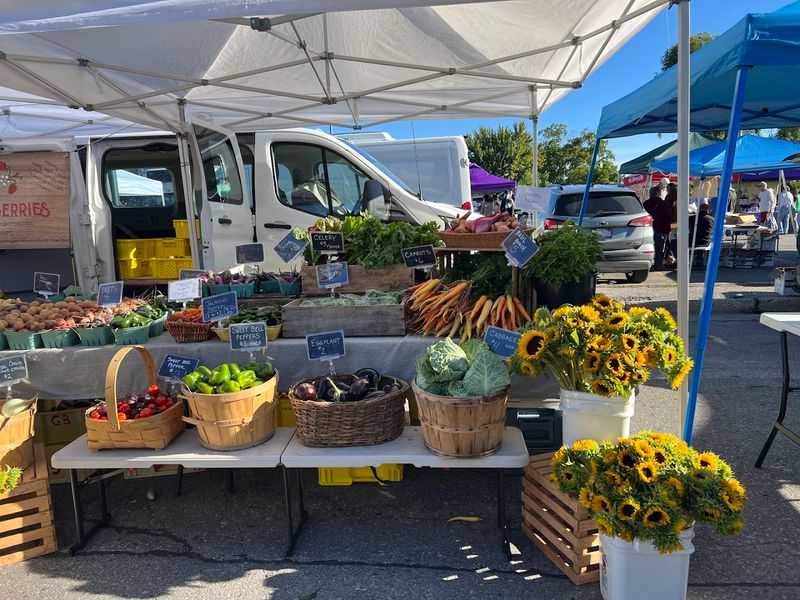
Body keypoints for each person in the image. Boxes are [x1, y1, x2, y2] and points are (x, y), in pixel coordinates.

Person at [644, 185, 672, 271]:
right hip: (660, 228)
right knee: (659, 248)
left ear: (650, 194)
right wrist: (668, 229)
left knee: (647, 248)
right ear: (659, 194)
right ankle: (658, 264)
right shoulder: (662, 203)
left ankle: (647, 264)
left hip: (647, 228)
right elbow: (667, 217)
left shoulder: (645, 203)